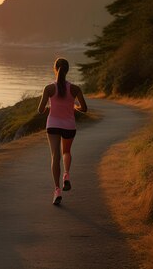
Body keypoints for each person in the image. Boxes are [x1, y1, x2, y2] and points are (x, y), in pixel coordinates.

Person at [37, 58, 87, 205]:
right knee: (66, 152)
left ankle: (57, 189)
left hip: (53, 125)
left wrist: (50, 109)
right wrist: (74, 107)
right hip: (69, 126)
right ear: (67, 70)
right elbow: (84, 108)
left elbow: (40, 110)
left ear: (55, 69)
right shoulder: (75, 89)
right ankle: (66, 175)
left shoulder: (49, 88)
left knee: (55, 156)